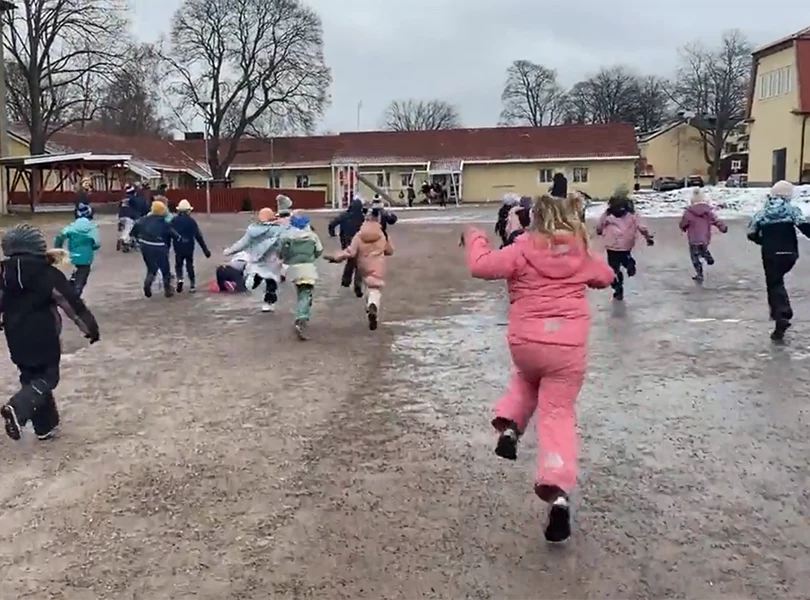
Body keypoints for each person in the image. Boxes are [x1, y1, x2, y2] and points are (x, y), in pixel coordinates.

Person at [462, 194, 614, 543]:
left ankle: (511, 427)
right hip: (567, 350)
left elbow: (481, 266)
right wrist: (584, 263)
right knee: (557, 413)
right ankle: (558, 491)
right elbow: (606, 277)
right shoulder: (580, 252)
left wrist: (475, 237)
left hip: (527, 344)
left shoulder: (522, 248)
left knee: (527, 378)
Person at [0, 224, 100, 441]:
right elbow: (70, 302)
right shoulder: (47, 273)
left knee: (31, 378)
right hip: (43, 334)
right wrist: (89, 327)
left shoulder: (2, 272)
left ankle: (45, 426)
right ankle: (17, 408)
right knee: (47, 378)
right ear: (37, 247)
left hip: (14, 335)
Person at [746, 180, 810, 340]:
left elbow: (751, 232)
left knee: (774, 283)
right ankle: (781, 317)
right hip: (790, 253)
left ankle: (781, 316)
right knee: (778, 281)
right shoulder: (792, 210)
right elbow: (805, 226)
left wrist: (762, 241)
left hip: (770, 253)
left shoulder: (763, 213)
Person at [327, 207, 393, 331]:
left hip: (363, 265)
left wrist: (337, 257)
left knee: (368, 285)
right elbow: (390, 251)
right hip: (377, 265)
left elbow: (351, 252)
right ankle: (372, 306)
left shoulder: (359, 235)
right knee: (374, 289)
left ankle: (370, 308)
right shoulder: (382, 234)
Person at [224, 207, 284, 312]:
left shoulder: (253, 230)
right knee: (271, 280)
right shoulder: (278, 230)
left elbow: (242, 243)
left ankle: (251, 281)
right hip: (272, 260)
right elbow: (282, 244)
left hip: (256, 260)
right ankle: (268, 302)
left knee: (257, 276)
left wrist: (229, 251)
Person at [595, 193, 654, 301]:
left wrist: (599, 231)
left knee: (613, 268)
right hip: (626, 243)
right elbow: (642, 227)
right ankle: (629, 262)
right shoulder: (632, 214)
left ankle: (618, 288)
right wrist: (647, 237)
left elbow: (599, 225)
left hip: (611, 244)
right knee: (624, 256)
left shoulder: (608, 214)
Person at [280, 214, 323, 340]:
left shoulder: (287, 238)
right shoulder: (312, 236)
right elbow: (319, 250)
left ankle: (303, 313)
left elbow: (283, 254)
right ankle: (301, 318)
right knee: (306, 292)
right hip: (307, 267)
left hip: (294, 269)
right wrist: (311, 257)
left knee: (301, 291)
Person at [131, 200, 178, 298]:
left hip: (145, 247)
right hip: (160, 247)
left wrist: (138, 241)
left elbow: (133, 232)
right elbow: (174, 235)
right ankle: (168, 290)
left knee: (151, 269)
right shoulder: (163, 223)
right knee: (165, 269)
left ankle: (147, 284)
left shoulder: (142, 220)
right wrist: (179, 238)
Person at [679, 189, 728, 283]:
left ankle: (699, 274)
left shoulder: (689, 212)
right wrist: (723, 228)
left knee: (695, 257)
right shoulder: (708, 212)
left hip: (693, 238)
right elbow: (716, 220)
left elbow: (683, 223)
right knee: (702, 247)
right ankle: (706, 254)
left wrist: (683, 228)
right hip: (705, 237)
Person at [54, 203, 100, 296]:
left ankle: (71, 285)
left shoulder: (72, 226)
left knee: (77, 271)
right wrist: (92, 247)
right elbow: (97, 243)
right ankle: (75, 295)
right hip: (87, 256)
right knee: (82, 277)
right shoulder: (92, 227)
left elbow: (60, 236)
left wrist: (58, 248)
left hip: (73, 255)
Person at [328, 196, 366, 297]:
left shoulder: (344, 215)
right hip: (359, 241)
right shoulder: (362, 217)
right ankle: (356, 284)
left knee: (351, 259)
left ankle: (346, 281)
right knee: (358, 262)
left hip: (346, 240)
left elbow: (332, 224)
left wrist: (332, 233)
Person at [171, 199, 211, 293]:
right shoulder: (191, 221)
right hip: (189, 246)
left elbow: (169, 233)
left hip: (178, 246)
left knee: (178, 264)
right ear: (188, 211)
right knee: (190, 265)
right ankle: (192, 285)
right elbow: (198, 236)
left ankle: (180, 279)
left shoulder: (174, 221)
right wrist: (205, 250)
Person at [117, 185, 141, 252]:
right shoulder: (133, 198)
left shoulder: (123, 198)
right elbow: (138, 207)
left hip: (121, 216)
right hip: (129, 216)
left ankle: (125, 241)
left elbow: (119, 206)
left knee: (125, 228)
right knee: (128, 229)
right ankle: (123, 239)